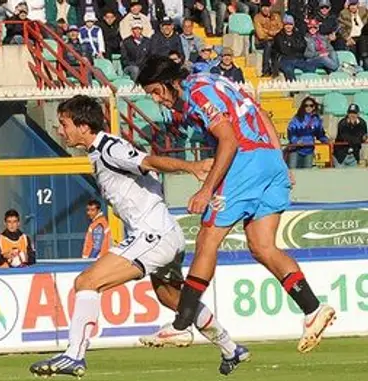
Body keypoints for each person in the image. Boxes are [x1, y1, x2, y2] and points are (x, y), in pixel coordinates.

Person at [30, 95, 247, 378]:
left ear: (84, 126)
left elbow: (148, 161)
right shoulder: (101, 151)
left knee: (86, 282)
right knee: (172, 298)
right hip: (166, 233)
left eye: (64, 124)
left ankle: (74, 355)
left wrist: (191, 167)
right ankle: (231, 349)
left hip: (152, 235)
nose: (61, 130)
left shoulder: (109, 148)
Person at [135, 56, 336, 360]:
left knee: (207, 240)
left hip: (244, 163)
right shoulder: (218, 81)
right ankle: (313, 308)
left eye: (156, 91)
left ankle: (182, 323)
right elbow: (261, 113)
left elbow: (228, 141)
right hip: (269, 159)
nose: (155, 99)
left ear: (172, 82)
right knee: (263, 246)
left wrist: (205, 190)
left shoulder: (199, 93)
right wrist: (279, 162)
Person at [286, 97, 328, 169]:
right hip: (296, 150)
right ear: (303, 106)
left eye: (311, 105)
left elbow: (320, 134)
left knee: (307, 174)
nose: (308, 107)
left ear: (314, 107)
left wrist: (327, 140)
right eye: (306, 105)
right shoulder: (297, 118)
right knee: (293, 173)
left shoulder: (317, 120)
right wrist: (296, 141)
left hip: (309, 151)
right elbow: (290, 132)